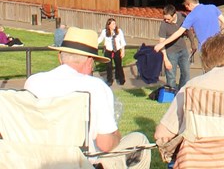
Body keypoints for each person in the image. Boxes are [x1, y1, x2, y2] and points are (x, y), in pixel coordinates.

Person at [24, 27, 151, 169]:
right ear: (90, 62)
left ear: (60, 56)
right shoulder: (95, 87)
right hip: (80, 163)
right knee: (140, 141)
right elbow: (105, 144)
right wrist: (116, 135)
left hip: (38, 160)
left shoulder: (33, 82)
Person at [154, 0, 224, 66]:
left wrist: (163, 43)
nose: (187, 9)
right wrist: (218, 31)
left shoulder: (191, 15)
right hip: (219, 45)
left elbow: (179, 32)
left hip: (206, 48)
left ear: (190, 4)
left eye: (186, 6)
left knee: (209, 72)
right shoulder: (212, 7)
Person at [158, 4, 197, 90]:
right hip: (170, 52)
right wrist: (166, 60)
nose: (166, 20)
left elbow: (189, 31)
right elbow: (161, 43)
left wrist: (192, 43)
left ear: (174, 15)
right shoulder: (163, 24)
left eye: (168, 19)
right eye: (165, 18)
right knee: (171, 76)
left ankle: (182, 92)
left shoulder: (182, 17)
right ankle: (172, 94)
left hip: (183, 50)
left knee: (186, 74)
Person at [97, 18, 126, 86]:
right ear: (108, 25)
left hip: (117, 50)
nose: (114, 25)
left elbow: (122, 41)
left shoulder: (119, 31)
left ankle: (120, 78)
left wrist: (123, 50)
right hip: (108, 51)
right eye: (113, 24)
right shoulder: (104, 32)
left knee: (118, 65)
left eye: (115, 23)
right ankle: (109, 79)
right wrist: (93, 43)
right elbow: (100, 39)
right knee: (109, 66)